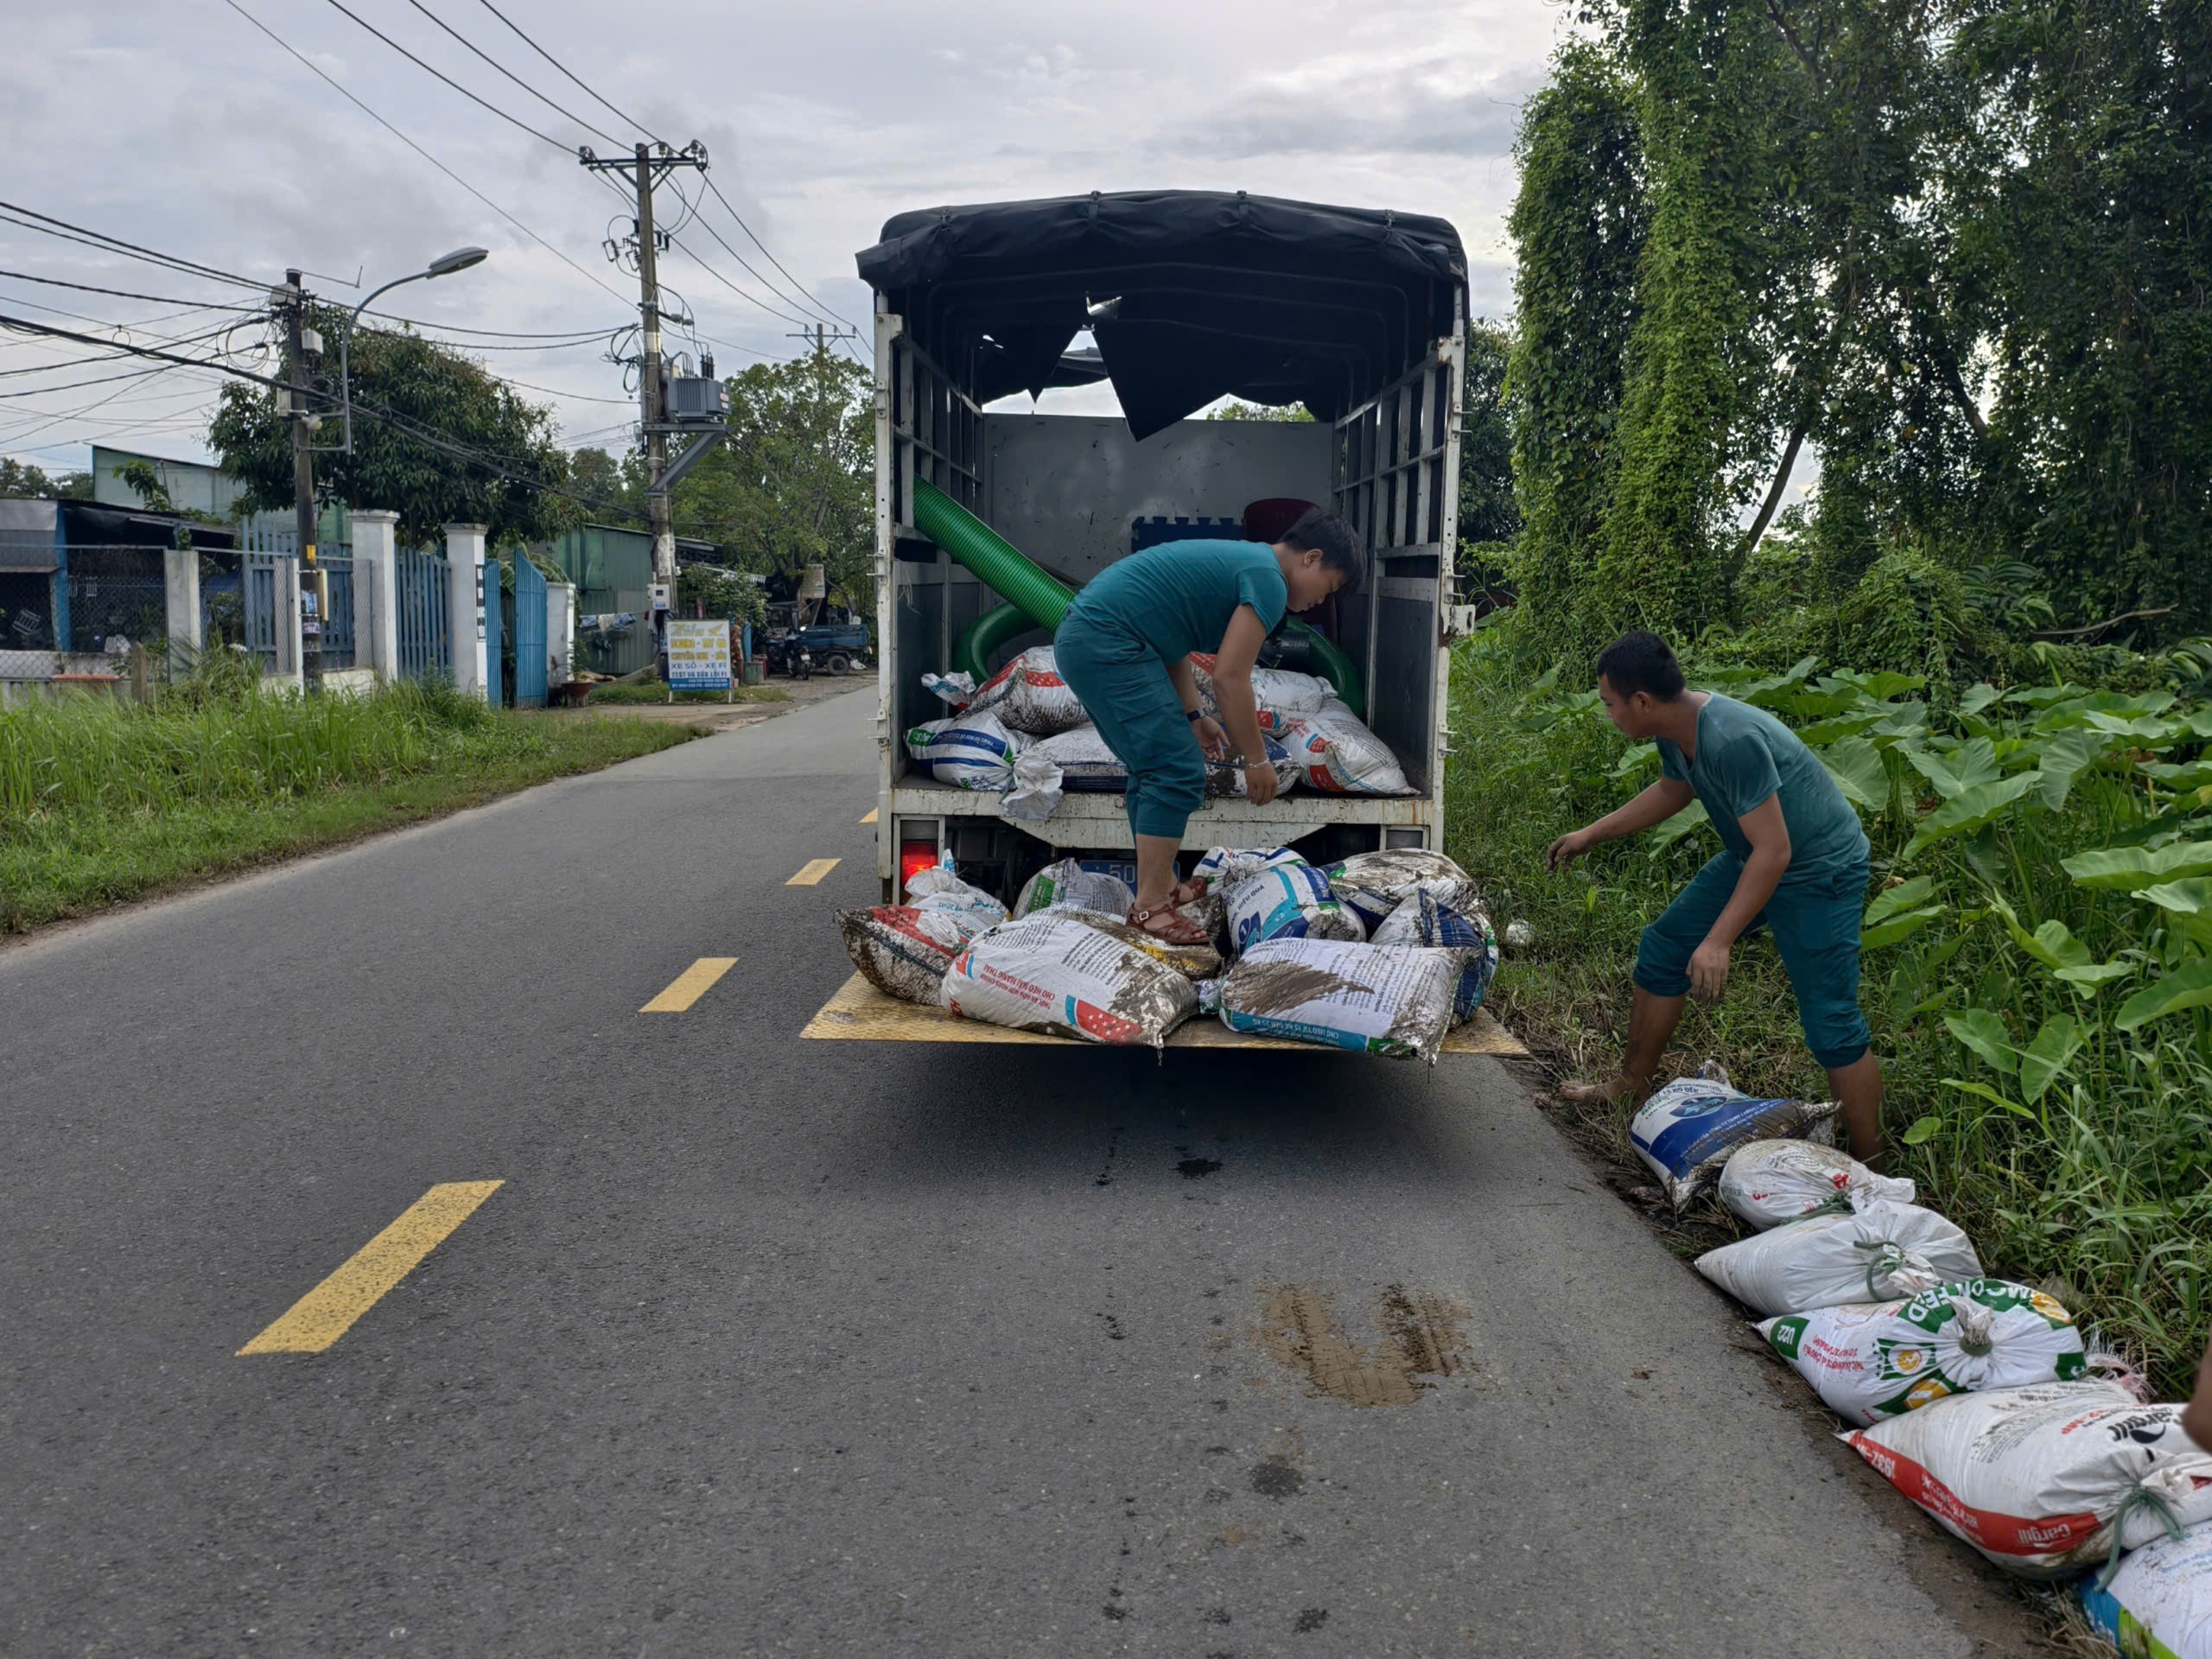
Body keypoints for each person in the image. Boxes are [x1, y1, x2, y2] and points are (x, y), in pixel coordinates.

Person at [1547, 631, 1887, 1166]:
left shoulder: (1731, 739)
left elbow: (1776, 851)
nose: (1609, 715)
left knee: (1832, 1021)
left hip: (1820, 869)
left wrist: (1718, 941)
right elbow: (1674, 789)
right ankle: (1630, 1086)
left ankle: (1873, 1170)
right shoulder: (1674, 727)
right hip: (1755, 854)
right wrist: (1593, 833)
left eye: (1610, 704)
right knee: (1664, 949)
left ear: (1642, 702)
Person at [1053, 509, 1366, 944]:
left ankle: (1160, 889)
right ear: (1311, 558)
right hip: (1107, 642)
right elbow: (1230, 678)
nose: (1321, 602)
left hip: (1098, 639)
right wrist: (1256, 760)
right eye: (1328, 588)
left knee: (1153, 768)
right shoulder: (1268, 580)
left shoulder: (1250, 563)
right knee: (1175, 769)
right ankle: (1150, 909)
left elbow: (1172, 642)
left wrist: (1194, 716)